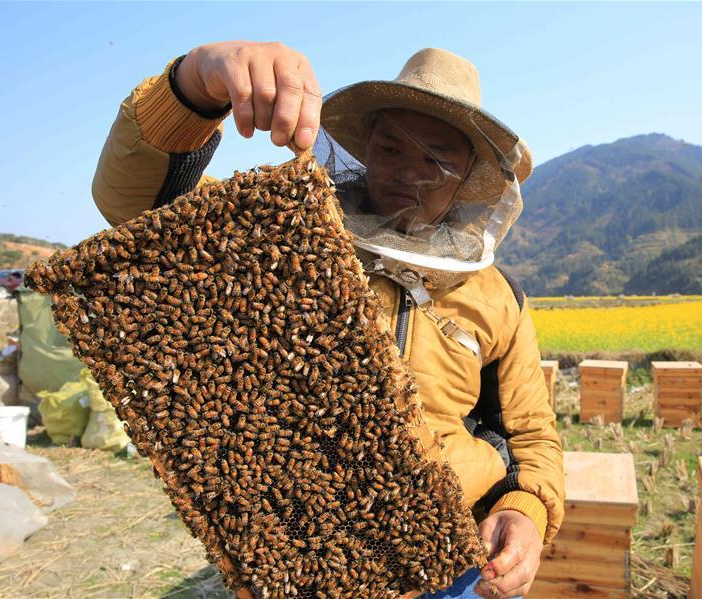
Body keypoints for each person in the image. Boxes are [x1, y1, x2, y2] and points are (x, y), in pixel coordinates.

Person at [92, 41, 563, 599]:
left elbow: (531, 432)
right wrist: (195, 83)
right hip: (297, 549)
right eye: (391, 148)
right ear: (365, 149)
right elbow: (136, 203)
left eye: (437, 159)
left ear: (469, 176)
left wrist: (527, 508)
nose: (409, 172)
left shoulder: (497, 296)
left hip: (449, 556)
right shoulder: (278, 232)